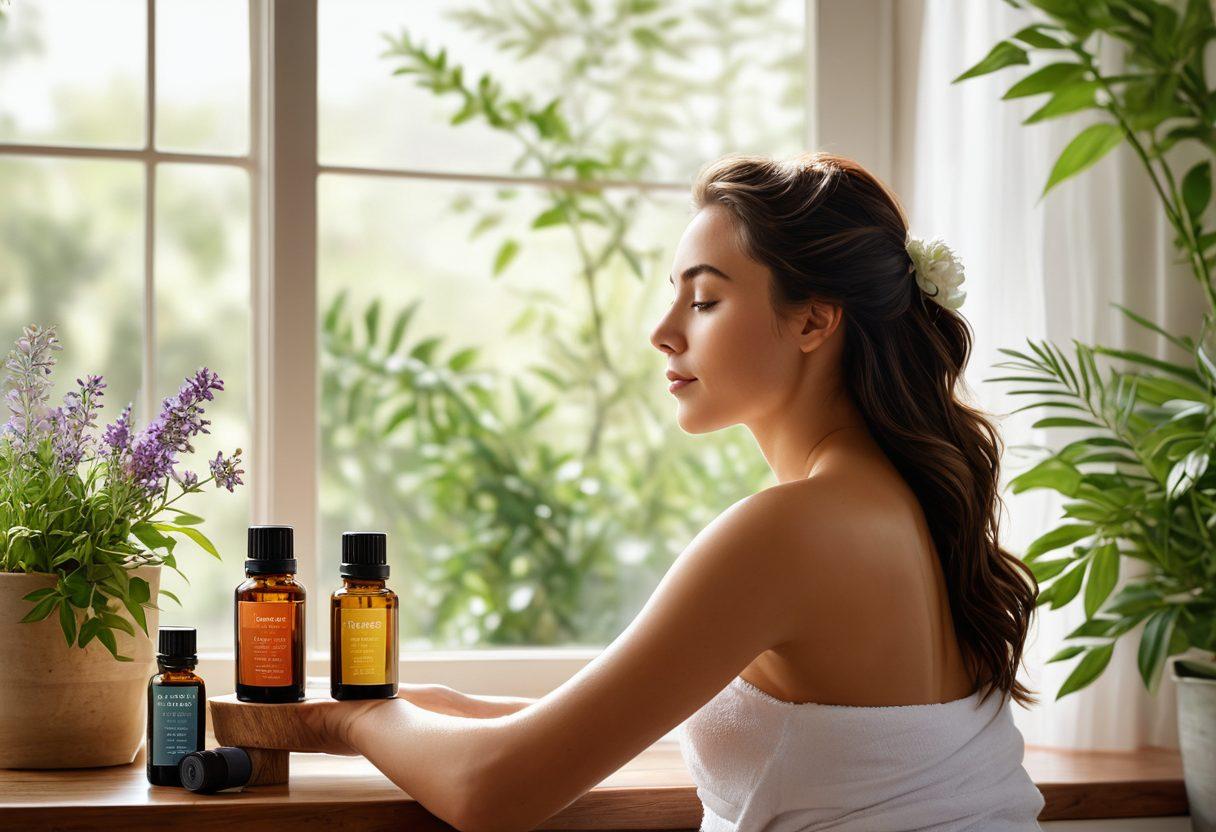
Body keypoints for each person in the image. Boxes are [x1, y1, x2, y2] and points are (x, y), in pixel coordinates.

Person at [288, 152, 1046, 832]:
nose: (663, 331)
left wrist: (350, 721)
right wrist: (450, 711)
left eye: (705, 300)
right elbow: (670, 715)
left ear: (815, 320)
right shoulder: (904, 505)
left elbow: (493, 792)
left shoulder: (793, 530)